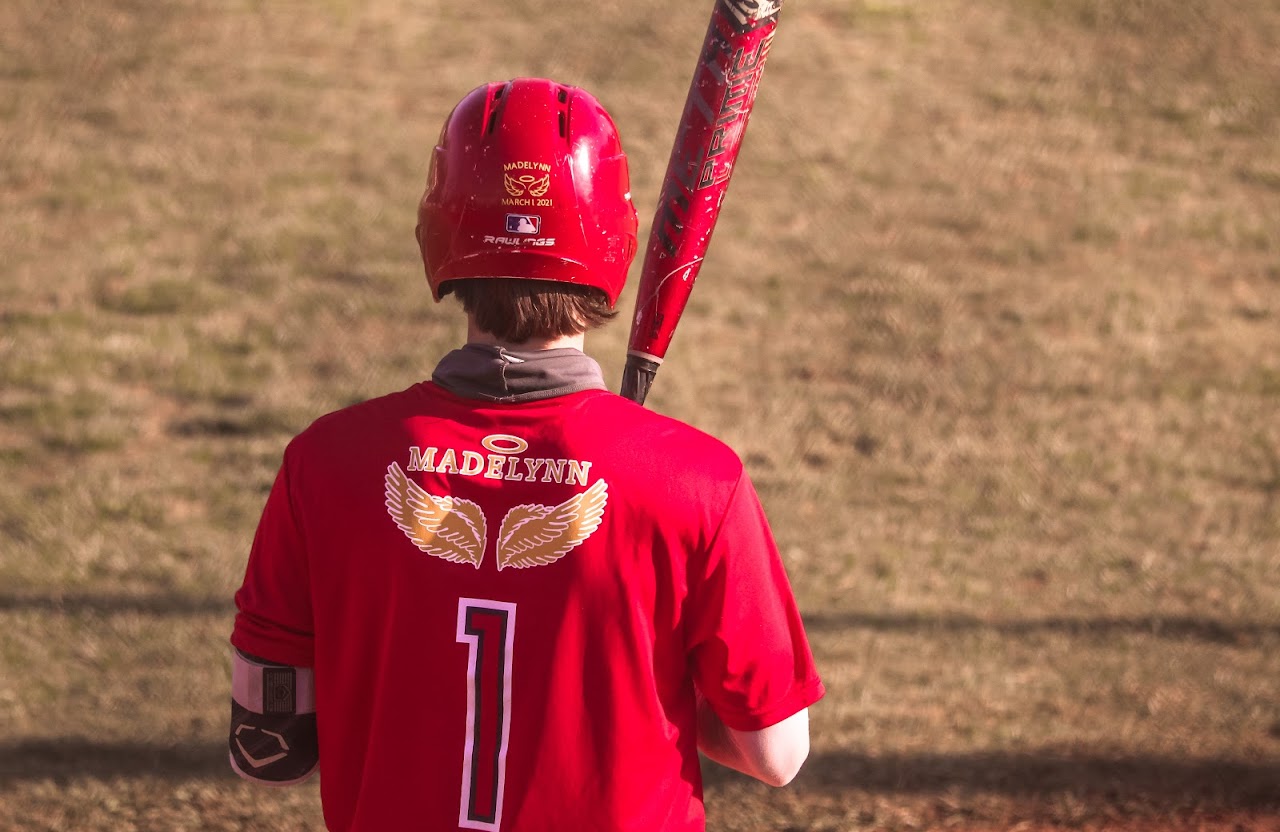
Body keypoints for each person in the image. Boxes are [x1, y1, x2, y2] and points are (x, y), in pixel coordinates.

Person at [229, 77, 824, 832]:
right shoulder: (696, 482)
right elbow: (777, 754)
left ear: (440, 234)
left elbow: (269, 752)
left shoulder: (327, 463)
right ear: (616, 240)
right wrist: (646, 688)